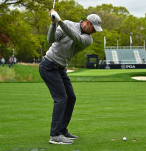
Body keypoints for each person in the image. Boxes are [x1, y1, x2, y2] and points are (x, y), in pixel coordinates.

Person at [39, 9, 102, 145]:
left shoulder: (88, 39)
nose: (94, 32)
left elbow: (76, 37)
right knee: (61, 99)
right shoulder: (68, 23)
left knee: (71, 98)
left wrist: (60, 21)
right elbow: (50, 39)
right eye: (94, 28)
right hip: (49, 66)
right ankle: (55, 136)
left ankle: (62, 130)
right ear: (87, 23)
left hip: (61, 69)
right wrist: (53, 23)